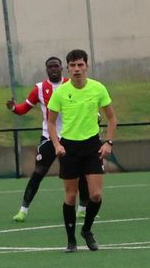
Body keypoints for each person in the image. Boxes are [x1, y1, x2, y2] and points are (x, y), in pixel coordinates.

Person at [45, 49, 116, 253]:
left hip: (92, 146)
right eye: (73, 65)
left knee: (95, 195)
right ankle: (71, 240)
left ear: (86, 66)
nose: (76, 69)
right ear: (67, 68)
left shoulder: (98, 88)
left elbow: (111, 118)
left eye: (80, 65)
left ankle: (86, 230)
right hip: (69, 148)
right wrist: (57, 145)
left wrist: (109, 142)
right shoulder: (60, 92)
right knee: (70, 195)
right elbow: (50, 123)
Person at [6, 56, 88, 222]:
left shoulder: (71, 84)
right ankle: (23, 210)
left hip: (71, 136)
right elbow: (24, 109)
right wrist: (13, 107)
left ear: (62, 68)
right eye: (50, 67)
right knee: (38, 172)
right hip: (48, 137)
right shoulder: (39, 88)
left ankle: (82, 208)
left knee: (80, 173)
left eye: (56, 66)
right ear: (46, 70)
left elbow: (84, 105)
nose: (53, 69)